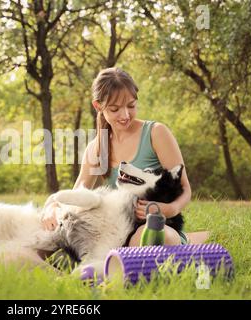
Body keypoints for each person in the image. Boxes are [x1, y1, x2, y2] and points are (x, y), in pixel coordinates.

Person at [41, 67, 192, 246]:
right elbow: (75, 195)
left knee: (153, 235)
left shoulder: (156, 133)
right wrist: (51, 207)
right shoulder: (96, 148)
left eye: (131, 106)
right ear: (98, 106)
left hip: (157, 227)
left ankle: (119, 261)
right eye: (115, 109)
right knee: (48, 237)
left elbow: (185, 189)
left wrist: (169, 209)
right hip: (117, 233)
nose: (125, 115)